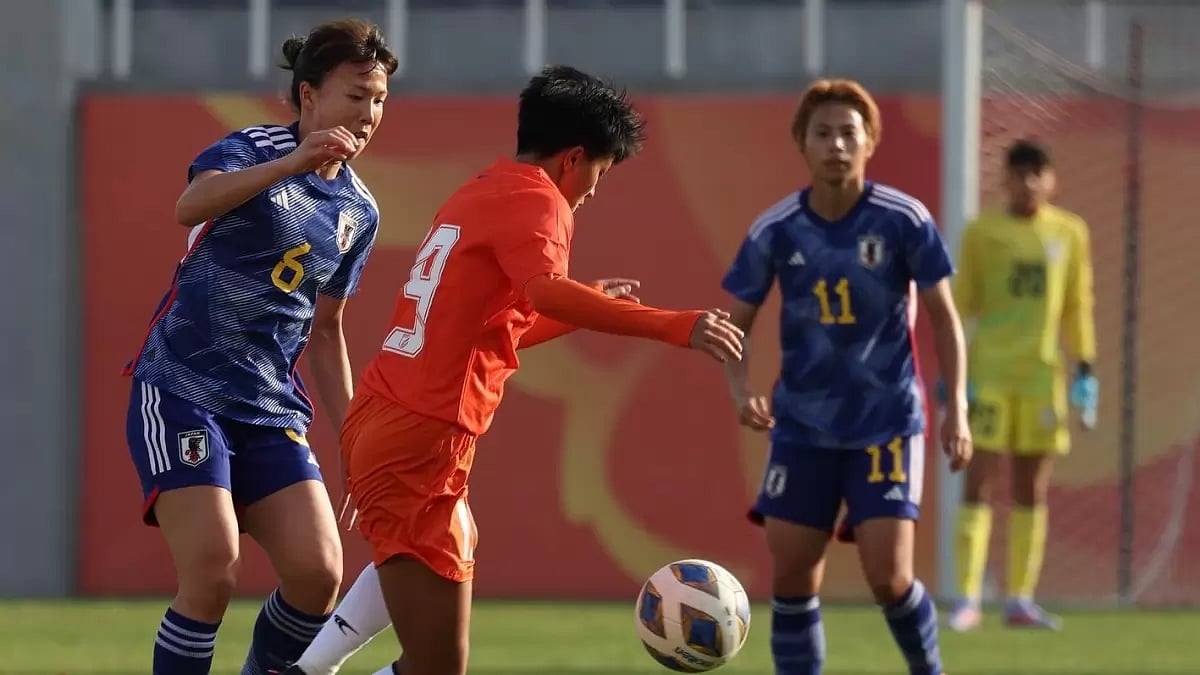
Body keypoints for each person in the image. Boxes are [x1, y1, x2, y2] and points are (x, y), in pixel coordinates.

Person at [282, 64, 745, 675]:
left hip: (389, 414)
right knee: (438, 665)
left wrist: (582, 309)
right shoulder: (540, 200)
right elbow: (547, 291)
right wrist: (676, 325)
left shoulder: (480, 189)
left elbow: (489, 330)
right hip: (423, 434)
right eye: (601, 172)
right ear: (573, 158)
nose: (594, 191)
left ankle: (308, 669)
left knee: (438, 548)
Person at [122, 18, 397, 675]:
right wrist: (291, 165)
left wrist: (355, 443)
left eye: (380, 99)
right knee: (213, 570)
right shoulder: (254, 147)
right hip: (182, 389)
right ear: (309, 96)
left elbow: (326, 330)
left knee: (318, 573)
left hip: (268, 410)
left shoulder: (359, 210)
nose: (368, 114)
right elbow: (191, 204)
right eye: (355, 96)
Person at [721, 78, 972, 675]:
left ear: (870, 142)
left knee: (889, 577)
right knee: (791, 573)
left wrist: (956, 408)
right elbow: (734, 324)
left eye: (848, 133)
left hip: (886, 424)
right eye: (823, 133)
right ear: (802, 144)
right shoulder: (776, 229)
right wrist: (739, 389)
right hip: (802, 427)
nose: (836, 144)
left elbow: (945, 318)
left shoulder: (904, 220)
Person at [945, 139, 1098, 632]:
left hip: (1041, 376)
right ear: (1004, 179)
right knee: (978, 481)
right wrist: (950, 373)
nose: (1028, 183)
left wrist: (1085, 367)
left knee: (1032, 487)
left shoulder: (1069, 232)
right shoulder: (982, 232)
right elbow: (960, 302)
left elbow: (1077, 303)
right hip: (989, 372)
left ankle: (1019, 599)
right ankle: (967, 598)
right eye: (1019, 173)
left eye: (1037, 174)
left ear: (1051, 180)